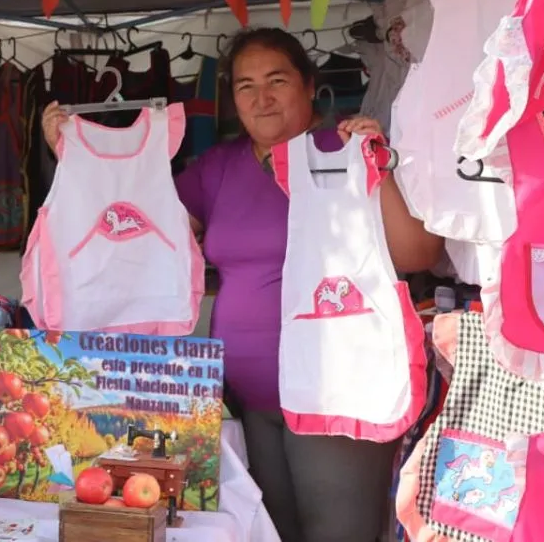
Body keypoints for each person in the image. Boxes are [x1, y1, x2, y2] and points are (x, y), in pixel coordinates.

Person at [41, 27, 443, 542]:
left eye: (277, 80)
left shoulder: (344, 148)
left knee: (338, 534)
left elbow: (419, 253)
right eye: (245, 86)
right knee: (273, 533)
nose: (262, 98)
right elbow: (135, 234)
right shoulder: (218, 168)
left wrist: (377, 166)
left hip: (337, 394)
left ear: (308, 85)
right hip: (249, 399)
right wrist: (74, 160)